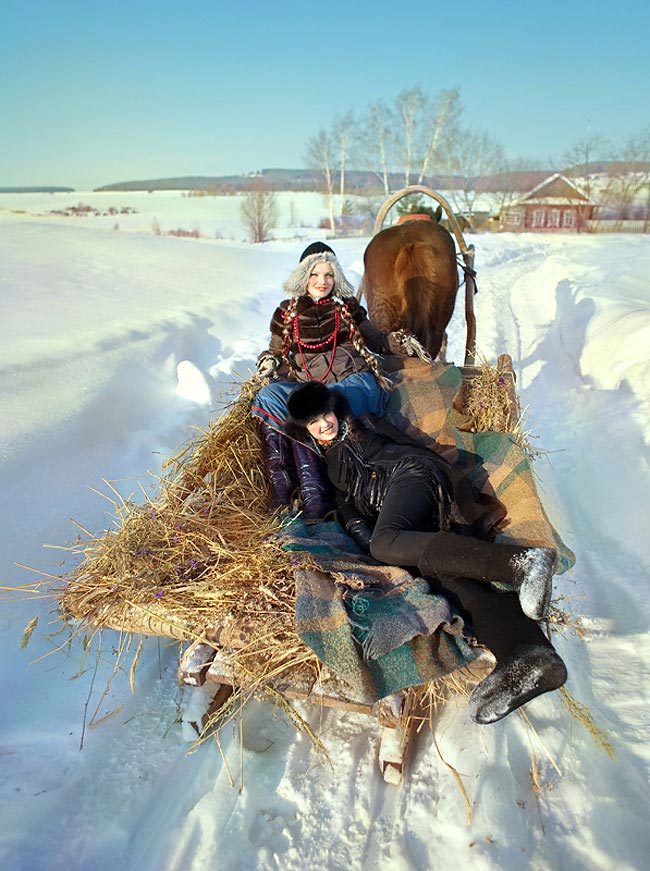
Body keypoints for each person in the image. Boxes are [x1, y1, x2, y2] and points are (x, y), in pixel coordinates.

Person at [284, 381, 568, 725]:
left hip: (413, 477)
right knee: (452, 584)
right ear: (307, 430)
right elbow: (347, 508)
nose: (325, 424)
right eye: (314, 422)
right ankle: (527, 655)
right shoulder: (330, 466)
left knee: (383, 543)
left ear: (335, 409)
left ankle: (520, 563)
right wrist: (361, 530)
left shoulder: (364, 423)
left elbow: (405, 447)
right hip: (403, 517)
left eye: (326, 414)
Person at [251, 241, 430, 520]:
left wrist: (397, 342)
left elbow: (377, 341)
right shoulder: (287, 314)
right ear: (303, 276)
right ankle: (286, 492)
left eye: (329, 275)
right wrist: (269, 361)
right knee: (269, 396)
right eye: (314, 274)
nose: (322, 282)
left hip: (353, 383)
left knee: (318, 406)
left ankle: (325, 492)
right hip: (310, 389)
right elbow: (275, 351)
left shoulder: (347, 308)